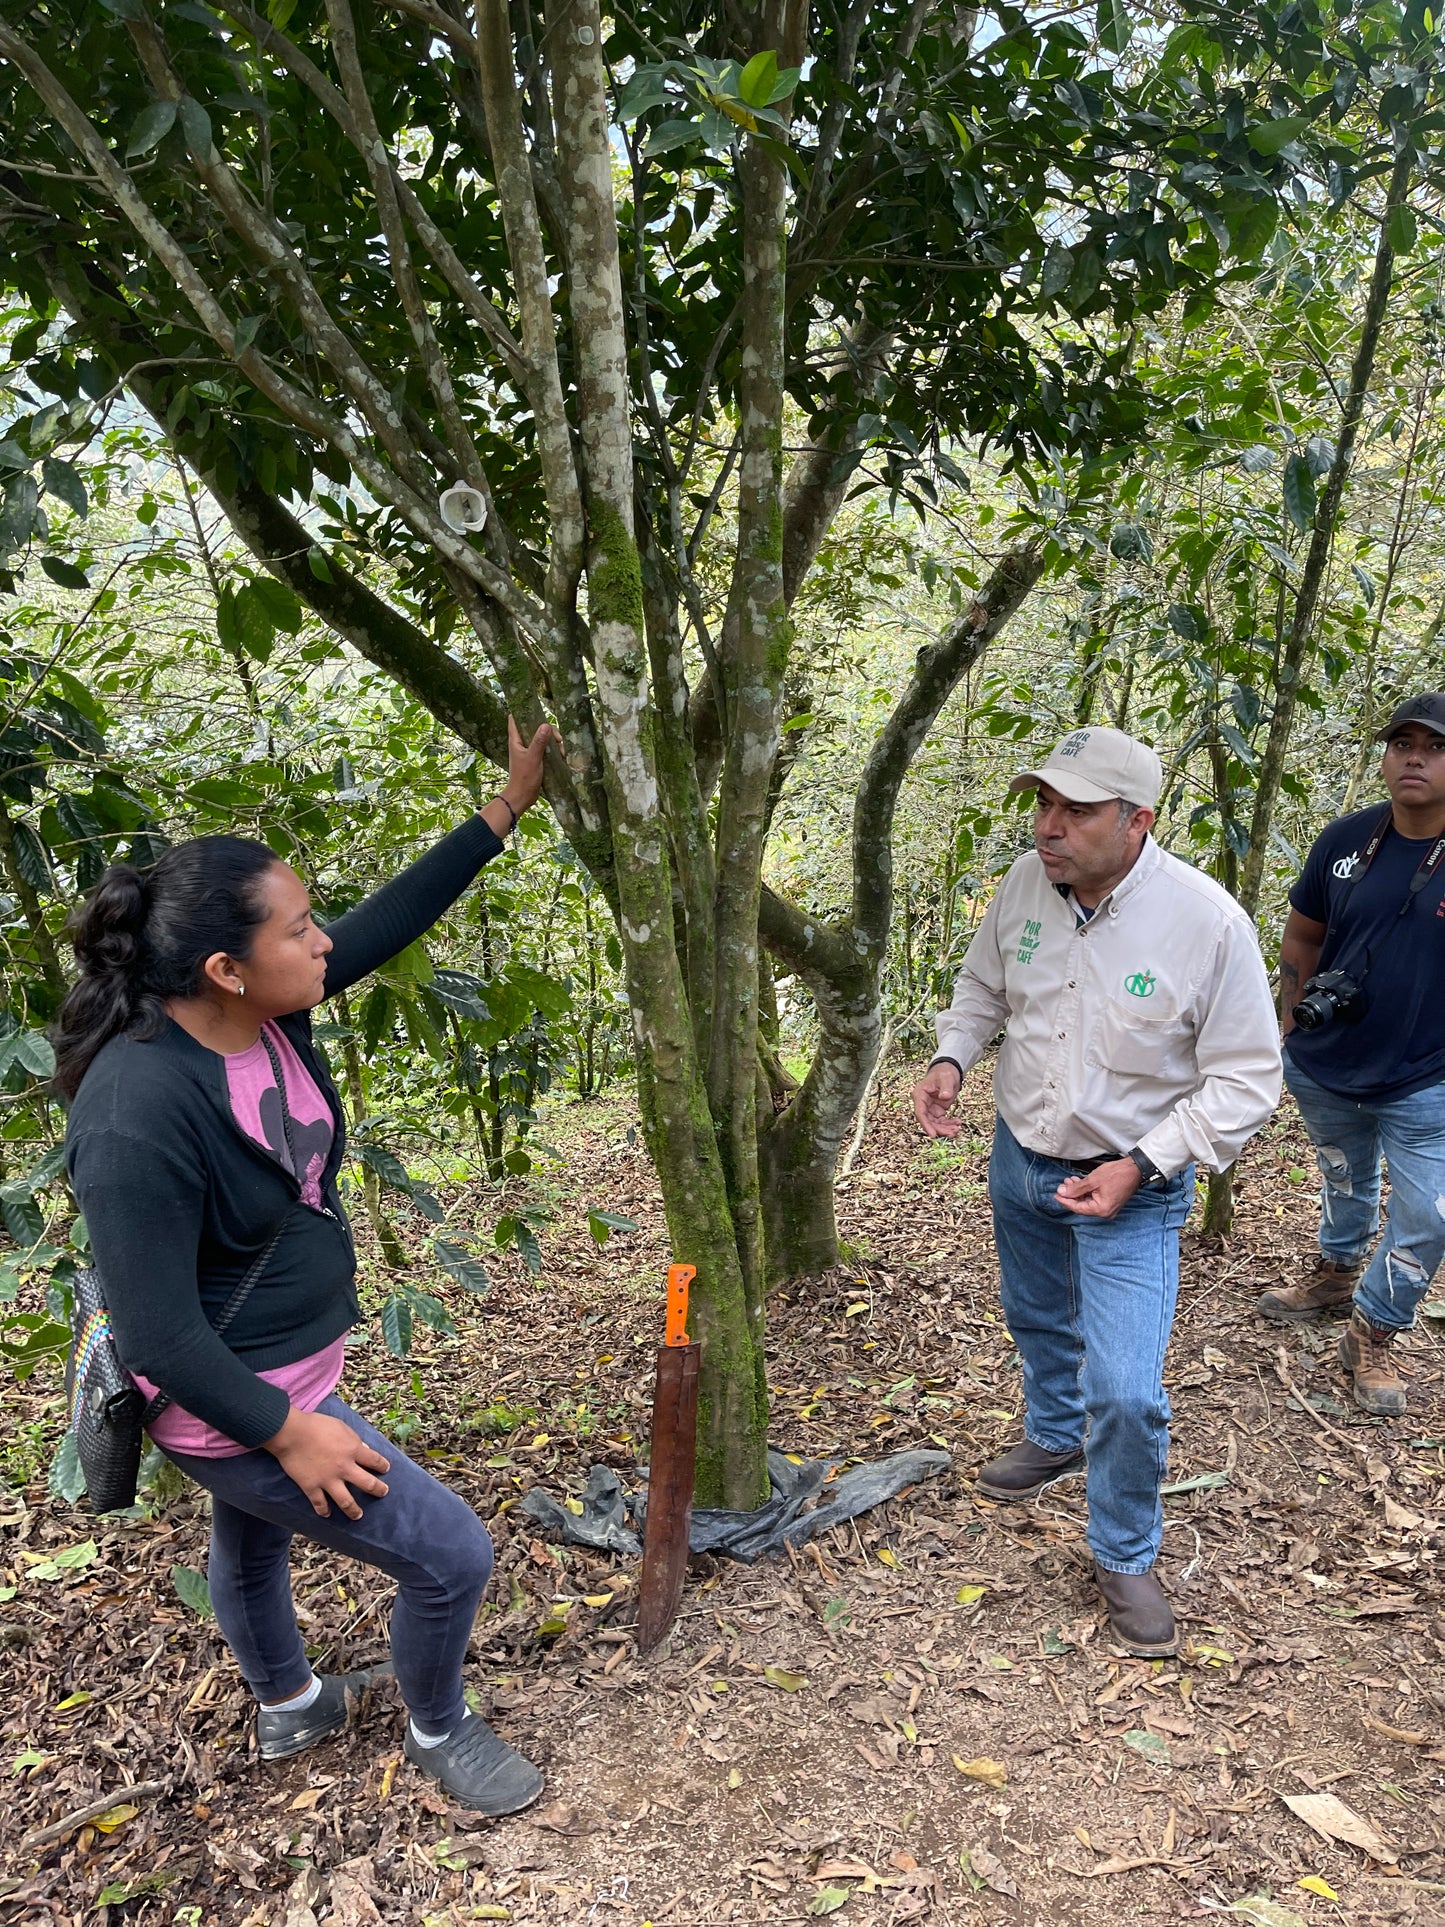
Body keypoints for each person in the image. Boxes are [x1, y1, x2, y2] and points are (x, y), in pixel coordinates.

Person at [58, 717, 559, 1815]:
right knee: (448, 1553)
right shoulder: (138, 1108)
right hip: (229, 1402)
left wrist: (502, 810)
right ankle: (440, 1726)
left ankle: (290, 1704)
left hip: (287, 1372)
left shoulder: (265, 1015)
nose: (322, 940)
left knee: (250, 1545)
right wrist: (286, 1433)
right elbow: (157, 1333)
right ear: (226, 968)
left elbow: (379, 923)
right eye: (297, 929)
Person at [911, 726, 1280, 1657]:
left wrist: (1142, 1163)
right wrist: (955, 1055)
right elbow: (983, 987)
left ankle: (1122, 1548)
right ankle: (1049, 1432)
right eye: (1042, 804)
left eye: (1074, 810)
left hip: (1134, 1178)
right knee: (1034, 1315)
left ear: (1136, 820)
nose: (1048, 826)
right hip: (1021, 1155)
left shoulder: (1206, 923)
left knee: (1123, 1386)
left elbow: (1245, 1079)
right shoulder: (1025, 886)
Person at [1255, 694, 1445, 1416]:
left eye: (1433, 746)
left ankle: (1375, 1327)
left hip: (1424, 1074)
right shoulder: (1343, 840)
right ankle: (1335, 1272)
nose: (1414, 757)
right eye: (1402, 743)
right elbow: (1301, 935)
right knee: (1343, 1176)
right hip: (1326, 1060)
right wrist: (1289, 1019)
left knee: (1427, 1214)